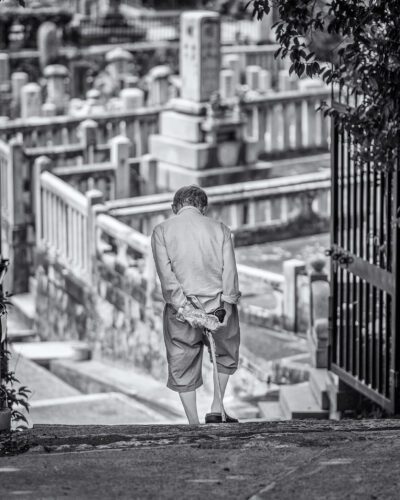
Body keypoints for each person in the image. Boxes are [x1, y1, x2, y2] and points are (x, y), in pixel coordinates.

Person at [151, 185, 241, 425]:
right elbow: (229, 272)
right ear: (203, 208)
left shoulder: (162, 231)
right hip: (218, 306)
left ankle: (193, 423)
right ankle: (216, 407)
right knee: (224, 354)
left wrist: (183, 307)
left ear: (174, 208)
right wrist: (228, 305)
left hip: (181, 310)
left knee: (183, 359)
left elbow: (166, 276)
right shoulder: (220, 229)